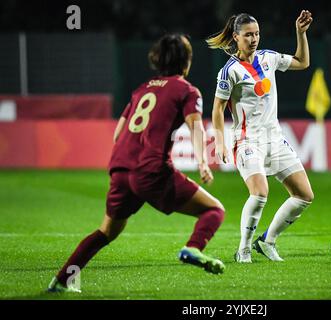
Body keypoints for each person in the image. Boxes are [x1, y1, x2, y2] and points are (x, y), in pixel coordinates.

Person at [48, 34, 226, 293]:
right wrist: (202, 162)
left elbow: (117, 133)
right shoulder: (187, 90)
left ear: (158, 60)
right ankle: (193, 248)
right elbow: (196, 128)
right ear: (186, 61)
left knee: (105, 231)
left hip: (120, 169)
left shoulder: (142, 89)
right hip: (151, 171)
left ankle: (60, 281)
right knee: (214, 210)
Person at [207, 11, 314, 263]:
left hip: (274, 139)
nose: (254, 39)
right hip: (247, 142)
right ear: (236, 37)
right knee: (260, 192)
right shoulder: (229, 71)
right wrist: (220, 142)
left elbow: (303, 62)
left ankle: (267, 241)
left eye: (256, 34)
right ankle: (243, 249)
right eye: (248, 35)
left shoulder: (269, 58)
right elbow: (217, 110)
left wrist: (301, 33)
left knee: (304, 196)